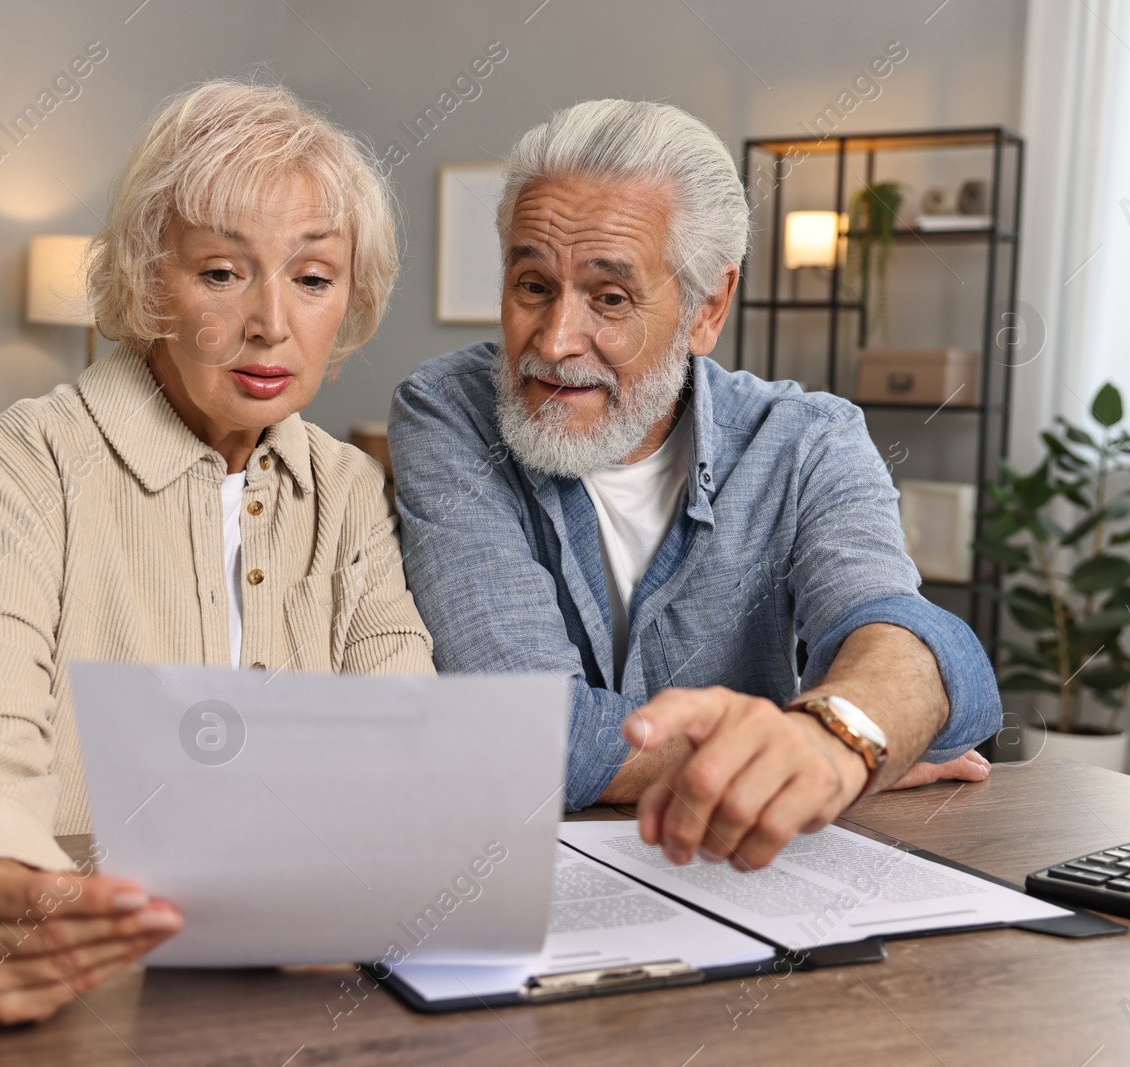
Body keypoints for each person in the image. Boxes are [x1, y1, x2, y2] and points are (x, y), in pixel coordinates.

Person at [0, 81, 432, 1025]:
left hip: (288, 985)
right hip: (80, 974)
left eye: (314, 278)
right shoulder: (26, 462)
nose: (271, 324)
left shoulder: (352, 489)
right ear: (145, 279)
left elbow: (400, 739)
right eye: (221, 273)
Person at [389, 99, 998, 878]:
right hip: (510, 883)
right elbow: (529, 730)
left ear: (708, 308)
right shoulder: (447, 411)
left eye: (610, 298)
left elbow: (911, 646)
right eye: (534, 284)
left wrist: (836, 737)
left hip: (746, 886)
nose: (554, 340)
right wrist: (814, 756)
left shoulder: (807, 439)